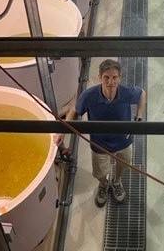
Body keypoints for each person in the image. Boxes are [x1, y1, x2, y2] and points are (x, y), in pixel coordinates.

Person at [55, 59, 147, 207]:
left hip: (123, 141)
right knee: (100, 173)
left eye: (114, 77)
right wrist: (63, 133)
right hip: (100, 144)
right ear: (100, 77)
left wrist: (140, 116)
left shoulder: (126, 92)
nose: (111, 82)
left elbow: (142, 93)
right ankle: (103, 185)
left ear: (120, 78)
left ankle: (117, 182)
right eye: (106, 77)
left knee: (123, 164)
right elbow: (74, 110)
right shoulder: (89, 95)